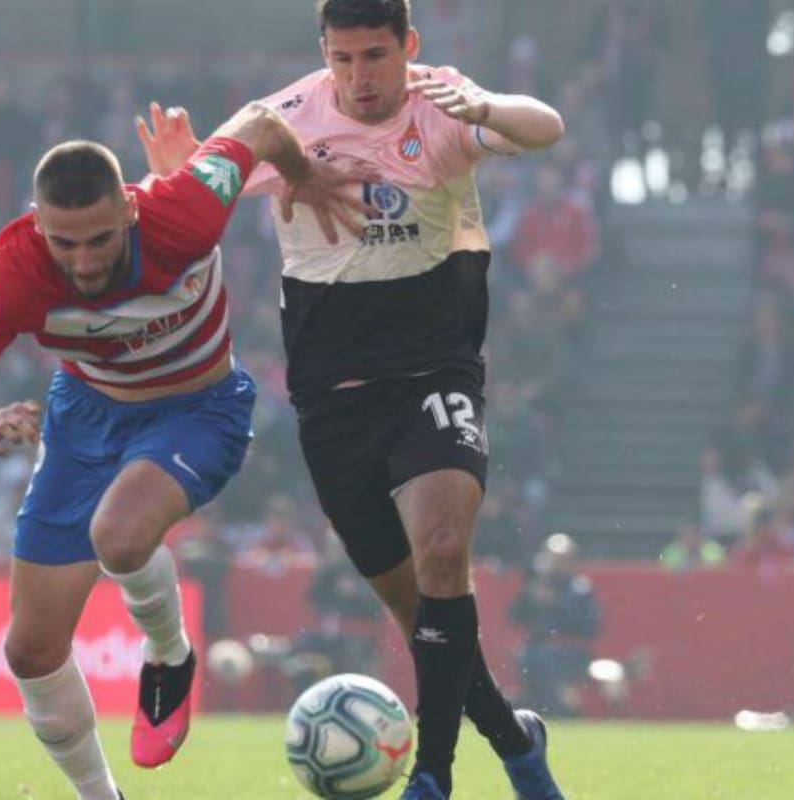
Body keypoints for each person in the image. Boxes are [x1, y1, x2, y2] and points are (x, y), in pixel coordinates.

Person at [137, 1, 566, 796]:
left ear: (409, 46)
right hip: (332, 402)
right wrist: (178, 172)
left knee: (445, 554)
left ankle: (430, 777)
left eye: (377, 56)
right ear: (323, 54)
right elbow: (183, 211)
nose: (362, 77)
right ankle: (516, 740)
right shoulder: (282, 120)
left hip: (433, 373)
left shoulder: (440, 102)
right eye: (345, 59)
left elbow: (544, 127)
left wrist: (486, 107)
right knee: (421, 622)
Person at [0, 102, 367, 799]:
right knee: (29, 649)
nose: (82, 261)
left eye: (97, 239)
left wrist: (303, 177)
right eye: (64, 242)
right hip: (83, 421)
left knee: (116, 535)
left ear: (129, 208)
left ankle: (169, 655)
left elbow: (264, 124)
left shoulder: (184, 208)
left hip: (198, 410)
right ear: (37, 221)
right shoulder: (16, 272)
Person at [509, 533, 601, 718]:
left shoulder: (580, 589)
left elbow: (590, 627)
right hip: (536, 650)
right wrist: (530, 598)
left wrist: (556, 605)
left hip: (569, 652)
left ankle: (561, 709)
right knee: (529, 656)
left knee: (543, 660)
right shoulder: (537, 585)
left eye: (562, 560)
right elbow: (514, 616)